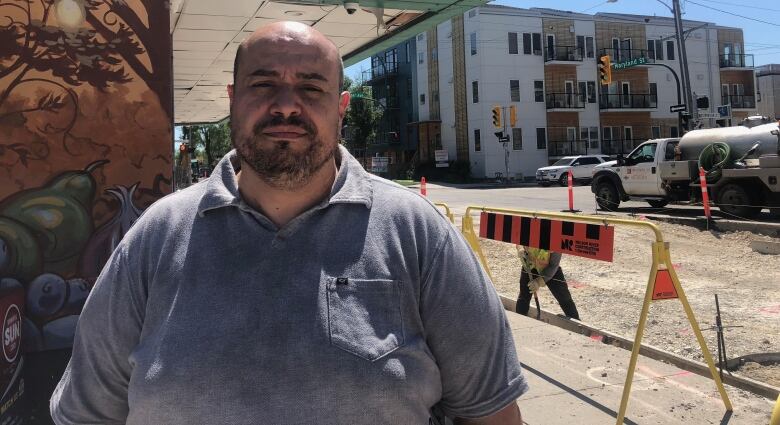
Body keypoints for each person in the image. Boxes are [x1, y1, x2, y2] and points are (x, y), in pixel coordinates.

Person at [50, 22, 527, 424]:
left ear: (340, 108)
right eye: (263, 85)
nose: (285, 105)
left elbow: (492, 413)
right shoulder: (156, 237)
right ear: (234, 100)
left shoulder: (419, 236)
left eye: (311, 87)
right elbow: (87, 414)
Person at [516, 247, 580, 320]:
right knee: (524, 296)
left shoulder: (555, 238)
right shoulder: (528, 235)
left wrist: (539, 282)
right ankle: (519, 319)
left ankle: (576, 322)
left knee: (564, 298)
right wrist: (520, 249)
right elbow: (518, 238)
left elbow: (554, 265)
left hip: (550, 268)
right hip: (530, 265)